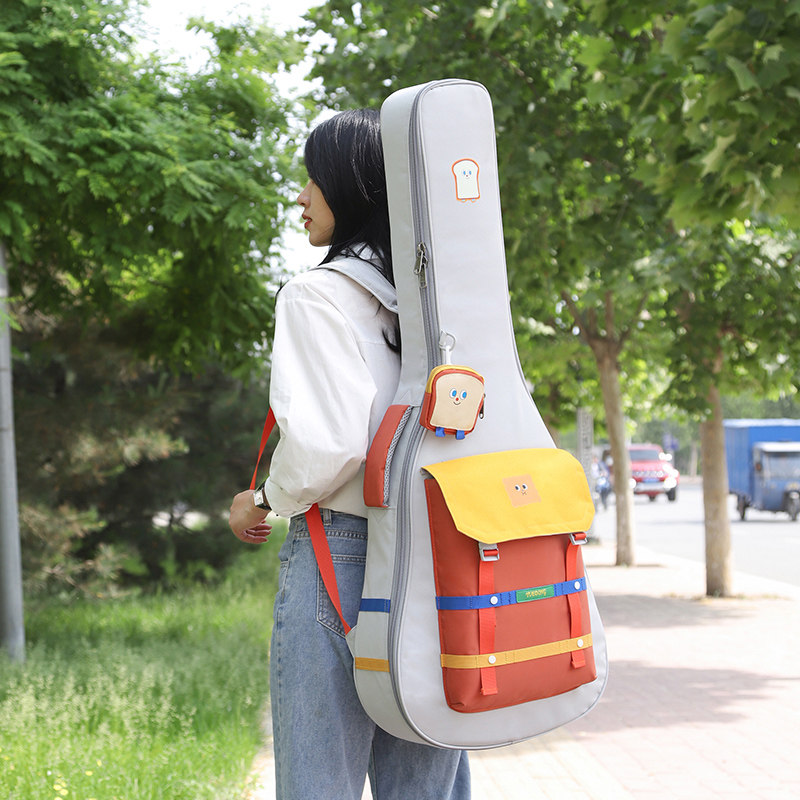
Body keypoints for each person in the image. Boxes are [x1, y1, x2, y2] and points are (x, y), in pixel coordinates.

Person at [228, 109, 471, 800]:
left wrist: (261, 501)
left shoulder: (316, 294)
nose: (301, 195)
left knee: (319, 783)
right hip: (437, 552)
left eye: (315, 178)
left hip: (340, 549)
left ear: (352, 186)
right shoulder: (435, 305)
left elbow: (327, 447)